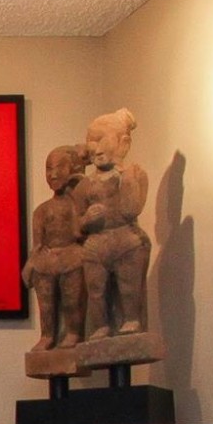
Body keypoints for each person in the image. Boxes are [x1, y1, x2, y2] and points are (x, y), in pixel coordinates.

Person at [75, 108, 152, 337]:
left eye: (101, 140)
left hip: (126, 238)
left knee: (129, 286)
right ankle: (101, 325)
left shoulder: (135, 174)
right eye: (91, 141)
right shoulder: (85, 185)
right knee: (96, 290)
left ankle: (132, 319)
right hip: (96, 242)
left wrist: (127, 177)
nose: (95, 148)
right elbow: (77, 226)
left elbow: (131, 209)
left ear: (123, 143)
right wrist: (86, 220)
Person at [26, 145, 90, 348]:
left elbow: (78, 233)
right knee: (46, 304)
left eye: (59, 168)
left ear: (72, 169)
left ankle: (73, 332)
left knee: (72, 300)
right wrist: (30, 264)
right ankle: (47, 335)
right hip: (46, 259)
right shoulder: (41, 211)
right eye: (48, 169)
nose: (53, 174)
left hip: (71, 256)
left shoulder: (77, 204)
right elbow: (37, 244)